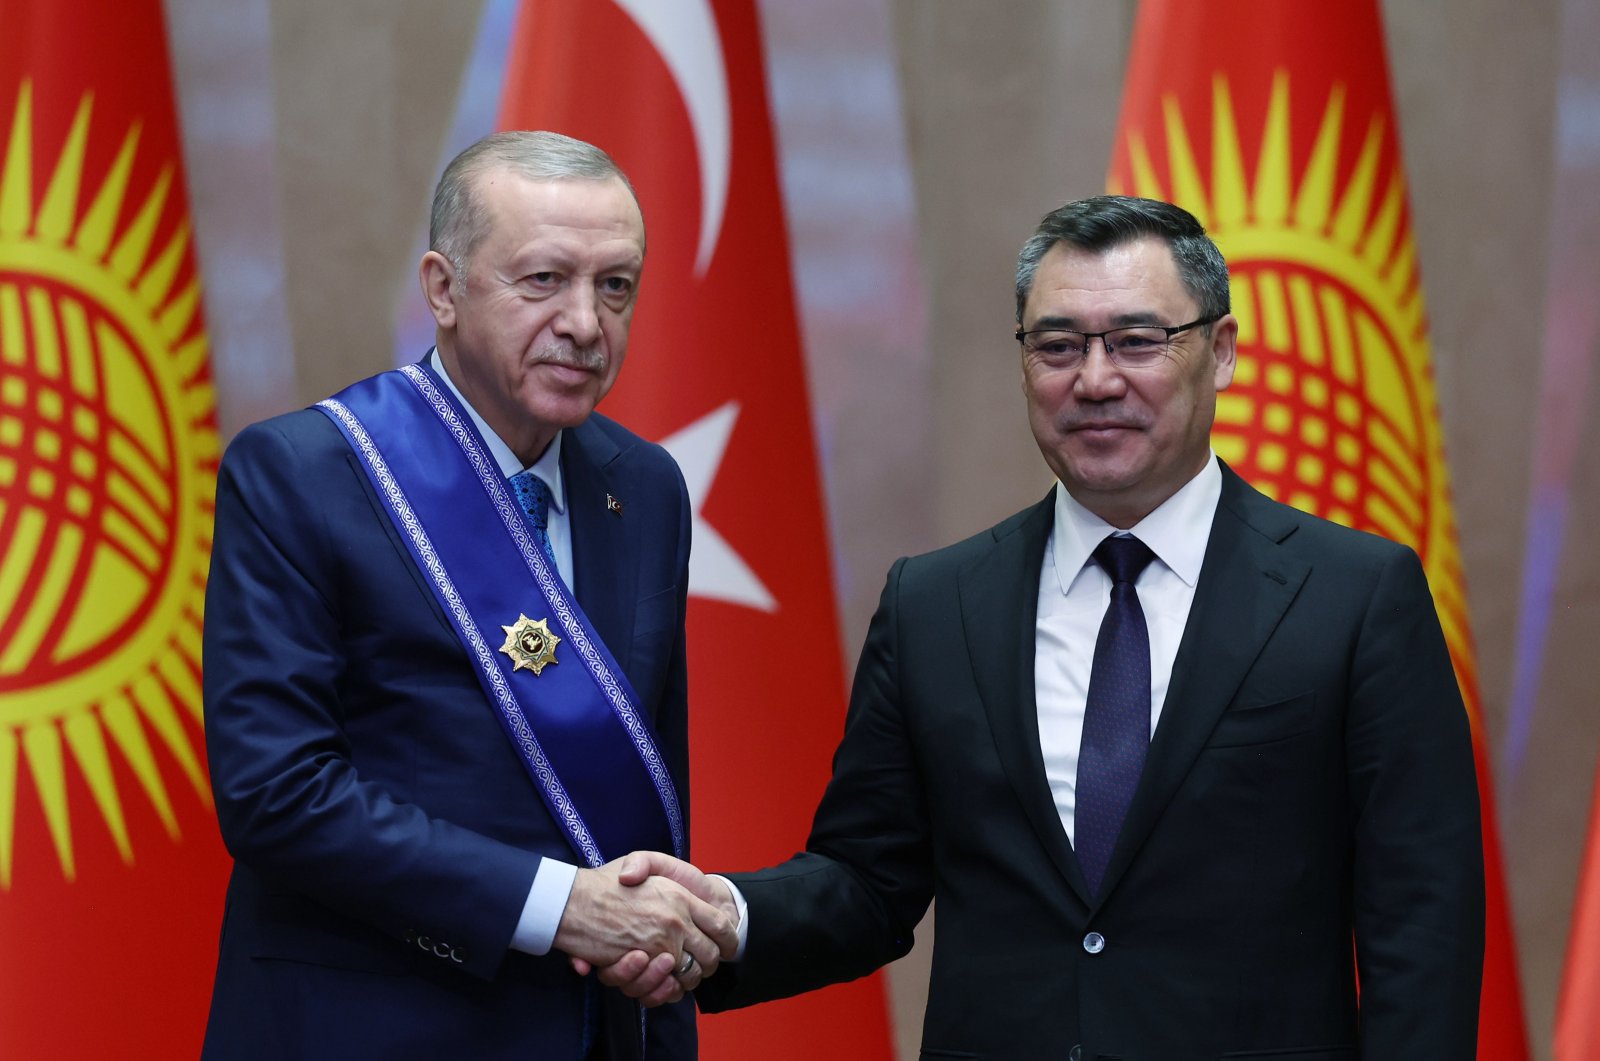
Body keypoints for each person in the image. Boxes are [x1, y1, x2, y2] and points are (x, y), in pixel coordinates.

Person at [605, 195, 1486, 1058]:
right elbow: (869, 881)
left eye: (1139, 341)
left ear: (1219, 352)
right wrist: (725, 916)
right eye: (1059, 346)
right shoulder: (936, 604)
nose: (1095, 380)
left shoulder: (1356, 596)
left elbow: (1424, 919)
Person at [201, 131, 734, 1061]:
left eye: (616, 286)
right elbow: (277, 792)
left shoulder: (643, 486)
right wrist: (562, 907)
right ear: (443, 289)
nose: (584, 321)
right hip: (371, 1026)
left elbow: (646, 781)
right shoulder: (301, 473)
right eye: (543, 281)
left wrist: (657, 949)